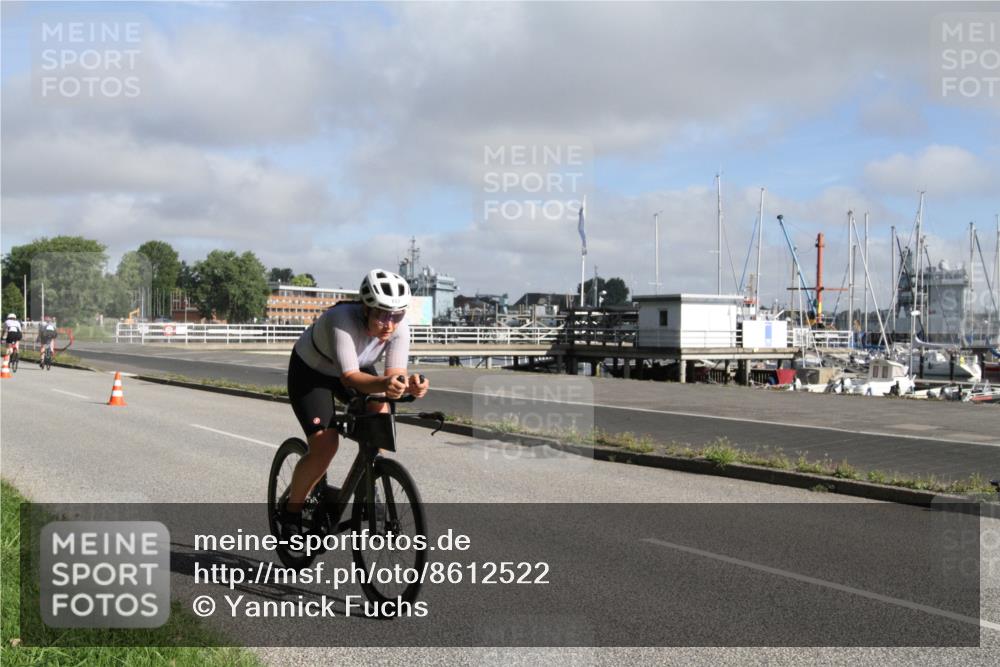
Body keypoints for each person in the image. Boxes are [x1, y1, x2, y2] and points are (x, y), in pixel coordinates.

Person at [280, 269, 429, 535]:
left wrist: (409, 385)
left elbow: (393, 375)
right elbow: (349, 378)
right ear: (365, 309)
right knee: (326, 444)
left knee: (380, 410)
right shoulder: (341, 319)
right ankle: (291, 512)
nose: (389, 324)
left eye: (396, 315)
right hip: (312, 373)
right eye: (382, 314)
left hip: (358, 371)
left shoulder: (399, 327)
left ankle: (371, 484)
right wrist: (385, 385)